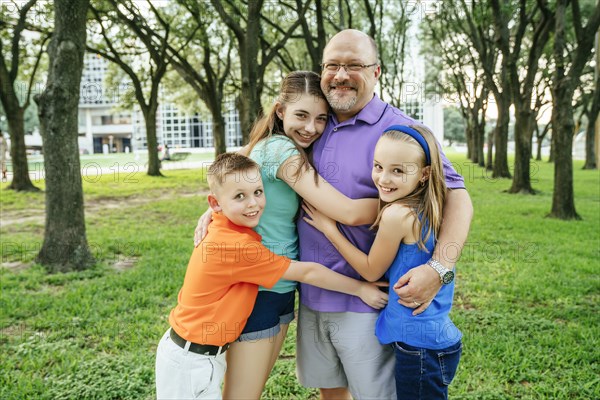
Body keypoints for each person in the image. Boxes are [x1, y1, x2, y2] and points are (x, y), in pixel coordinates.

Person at [294, 29, 473, 399]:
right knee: (331, 392)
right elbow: (255, 159)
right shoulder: (312, 123)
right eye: (332, 65)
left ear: (377, 72)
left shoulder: (400, 130)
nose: (341, 75)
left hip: (367, 302)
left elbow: (457, 195)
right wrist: (213, 212)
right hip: (312, 295)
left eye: (354, 65)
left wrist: (439, 268)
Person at [194, 71, 380, 399]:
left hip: (279, 289)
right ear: (280, 111)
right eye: (302, 115)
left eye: (321, 118)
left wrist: (213, 210)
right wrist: (403, 200)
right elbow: (348, 212)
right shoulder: (280, 150)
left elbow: (239, 180)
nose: (311, 127)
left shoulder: (277, 148)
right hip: (259, 290)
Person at [156, 153, 387, 400]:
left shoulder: (224, 225)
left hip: (202, 354)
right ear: (215, 203)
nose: (253, 203)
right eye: (240, 196)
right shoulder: (236, 247)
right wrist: (360, 289)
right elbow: (308, 271)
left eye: (258, 192)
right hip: (191, 361)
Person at [303, 125, 462, 399]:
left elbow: (370, 269)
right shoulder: (432, 207)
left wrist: (329, 229)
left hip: (418, 346)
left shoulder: (396, 215)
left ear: (424, 174)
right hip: (437, 339)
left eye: (398, 170)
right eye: (378, 166)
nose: (383, 179)